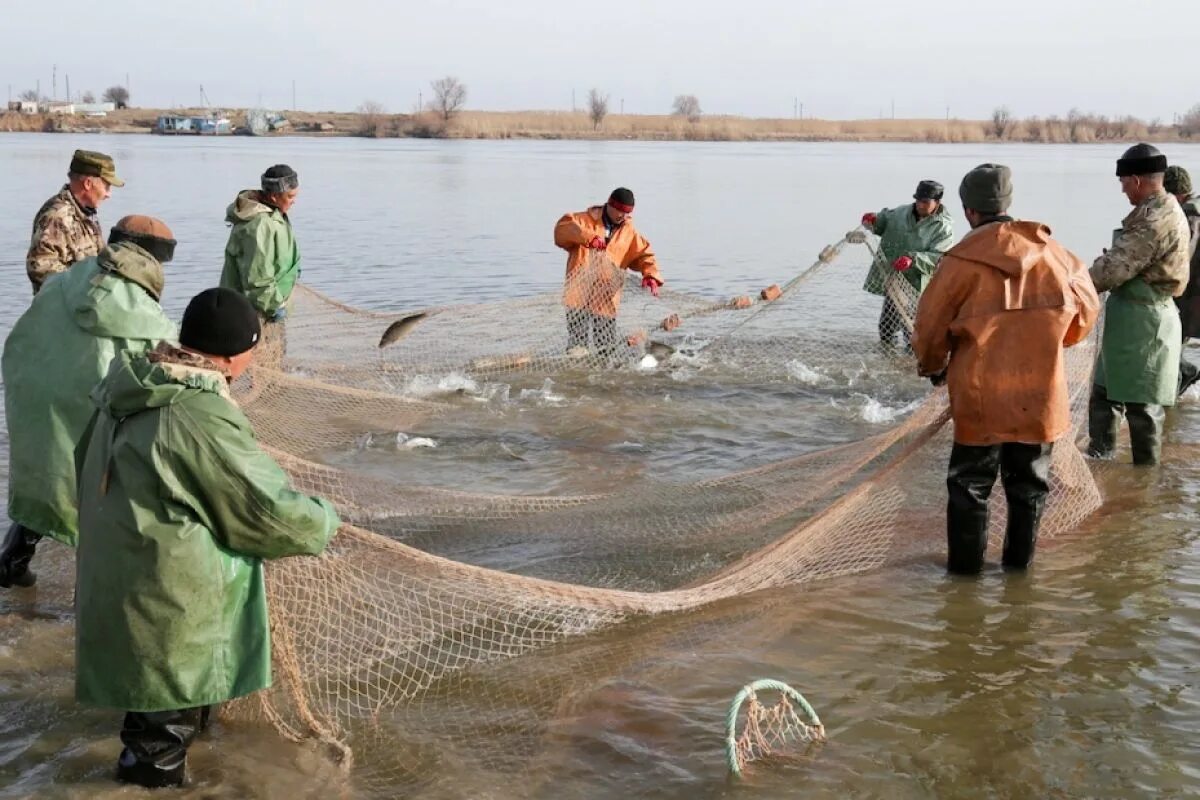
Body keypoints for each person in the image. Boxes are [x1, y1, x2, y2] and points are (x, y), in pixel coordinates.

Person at [74, 288, 341, 788]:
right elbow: (263, 512)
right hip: (170, 597)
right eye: (252, 350)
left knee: (155, 706)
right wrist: (326, 520)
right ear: (231, 353)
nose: (252, 360)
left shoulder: (130, 386)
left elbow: (80, 469)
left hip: (119, 573)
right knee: (159, 737)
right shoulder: (195, 414)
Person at [912, 164, 1100, 575]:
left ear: (968, 211)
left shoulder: (959, 262)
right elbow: (1085, 316)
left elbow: (928, 329)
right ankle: (1019, 576)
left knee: (969, 487)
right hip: (1041, 396)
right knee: (1030, 487)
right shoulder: (1059, 255)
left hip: (979, 398)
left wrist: (933, 368)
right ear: (1007, 204)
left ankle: (964, 583)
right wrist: (1050, 342)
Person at [0, 216, 178, 589]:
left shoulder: (62, 281)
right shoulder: (148, 314)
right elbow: (164, 378)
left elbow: (20, 337)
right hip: (86, 402)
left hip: (37, 391)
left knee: (47, 479)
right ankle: (95, 596)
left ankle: (11, 563)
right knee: (102, 493)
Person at [1087, 144, 1191, 465]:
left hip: (1146, 322)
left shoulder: (1157, 218)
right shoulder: (1154, 209)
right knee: (1103, 396)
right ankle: (1100, 464)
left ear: (1136, 180)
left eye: (1123, 183)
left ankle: (1144, 479)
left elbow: (1114, 269)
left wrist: (1069, 282)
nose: (1121, 190)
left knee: (1142, 406)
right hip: (1126, 318)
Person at [554, 187, 662, 355]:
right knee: (577, 347)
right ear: (610, 205)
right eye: (620, 211)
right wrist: (589, 239)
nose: (623, 216)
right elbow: (561, 231)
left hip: (606, 297)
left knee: (606, 348)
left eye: (627, 213)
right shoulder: (581, 220)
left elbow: (644, 255)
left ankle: (603, 372)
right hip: (578, 294)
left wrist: (650, 275)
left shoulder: (629, 233)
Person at [219, 164, 302, 366]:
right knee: (259, 363)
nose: (294, 201)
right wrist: (274, 306)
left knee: (272, 360)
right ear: (274, 196)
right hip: (255, 309)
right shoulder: (259, 224)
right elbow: (257, 278)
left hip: (268, 304)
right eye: (290, 197)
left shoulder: (274, 214)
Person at [861, 179, 955, 345]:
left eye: (925, 202)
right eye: (918, 200)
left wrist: (913, 259)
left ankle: (912, 365)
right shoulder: (900, 213)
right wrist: (874, 220)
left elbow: (940, 257)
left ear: (937, 202)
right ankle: (890, 362)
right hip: (896, 280)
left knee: (912, 331)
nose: (920, 204)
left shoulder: (943, 227)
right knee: (886, 328)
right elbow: (882, 222)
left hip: (921, 286)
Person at [26, 149, 124, 294]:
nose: (108, 194)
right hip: (62, 310)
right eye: (107, 186)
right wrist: (84, 286)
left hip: (84, 307)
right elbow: (40, 268)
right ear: (88, 184)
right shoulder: (57, 216)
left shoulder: (85, 213)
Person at [1164, 165, 1200, 395]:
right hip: (1191, 290)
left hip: (1190, 292)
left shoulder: (1189, 216)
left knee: (1171, 341)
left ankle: (1181, 376)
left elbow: (1183, 254)